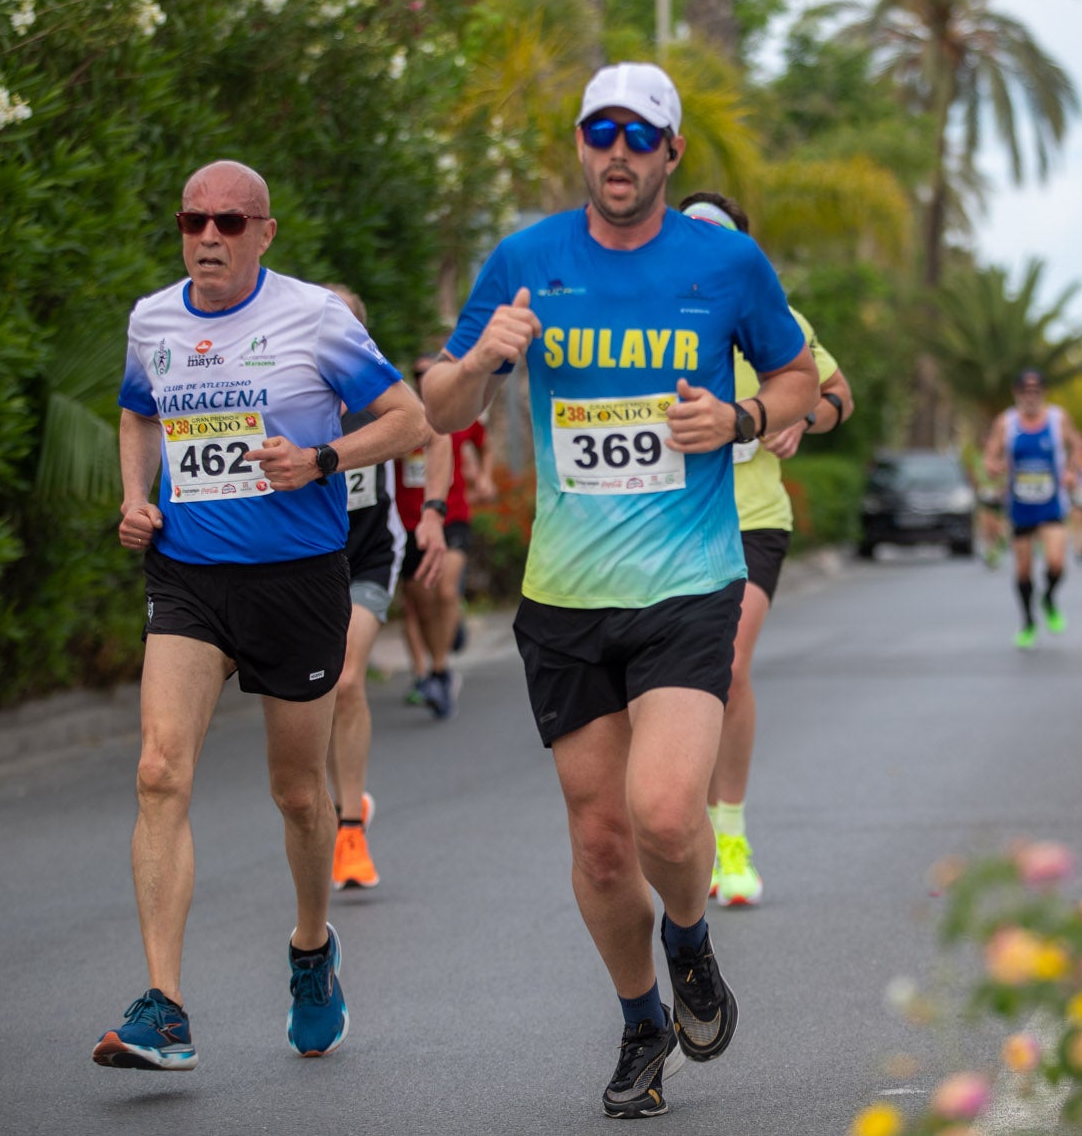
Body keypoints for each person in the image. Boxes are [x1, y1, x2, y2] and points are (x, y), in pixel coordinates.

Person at [422, 62, 820, 1118]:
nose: (617, 152)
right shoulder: (525, 259)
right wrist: (478, 363)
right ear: (581, 144)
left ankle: (688, 942)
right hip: (564, 597)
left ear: (670, 154)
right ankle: (642, 1016)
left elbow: (793, 380)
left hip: (690, 583)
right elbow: (436, 406)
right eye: (600, 132)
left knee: (663, 817)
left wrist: (735, 421)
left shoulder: (726, 262)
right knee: (599, 842)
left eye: (638, 136)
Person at [97, 161, 428, 1070]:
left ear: (265, 233)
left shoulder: (316, 317)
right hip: (191, 577)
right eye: (194, 219)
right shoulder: (153, 318)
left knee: (297, 792)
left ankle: (313, 948)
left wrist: (323, 458)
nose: (209, 236)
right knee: (160, 770)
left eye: (231, 223)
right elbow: (136, 413)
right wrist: (137, 495)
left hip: (298, 578)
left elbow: (409, 420)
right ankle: (164, 1005)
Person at [678, 190, 855, 910]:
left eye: (713, 233)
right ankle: (680, 827)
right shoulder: (643, 314)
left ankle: (731, 833)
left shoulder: (774, 318)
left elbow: (836, 392)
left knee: (729, 663)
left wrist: (803, 419)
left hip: (752, 516)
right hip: (668, 522)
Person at [320, 287, 450, 893]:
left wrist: (433, 512)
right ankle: (342, 801)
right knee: (316, 693)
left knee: (346, 679)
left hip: (370, 554)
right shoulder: (283, 386)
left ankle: (349, 831)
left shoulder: (377, 391)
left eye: (345, 323)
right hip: (301, 561)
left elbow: (437, 435)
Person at [395, 353, 482, 716]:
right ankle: (432, 667)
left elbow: (481, 445)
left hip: (451, 516)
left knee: (445, 590)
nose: (423, 378)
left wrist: (485, 475)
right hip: (408, 523)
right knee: (419, 605)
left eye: (430, 372)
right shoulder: (400, 416)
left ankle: (440, 669)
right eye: (417, 372)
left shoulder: (457, 414)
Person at [982, 370, 1080, 650]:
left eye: (1036, 391)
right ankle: (1027, 622)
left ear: (1044, 394)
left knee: (1056, 563)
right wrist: (993, 466)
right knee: (1023, 571)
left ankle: (1048, 598)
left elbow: (1077, 445)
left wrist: (1072, 472)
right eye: (1025, 392)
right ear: (1017, 394)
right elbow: (991, 454)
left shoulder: (1058, 420)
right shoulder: (1007, 423)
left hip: (1052, 504)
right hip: (1020, 506)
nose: (1031, 396)